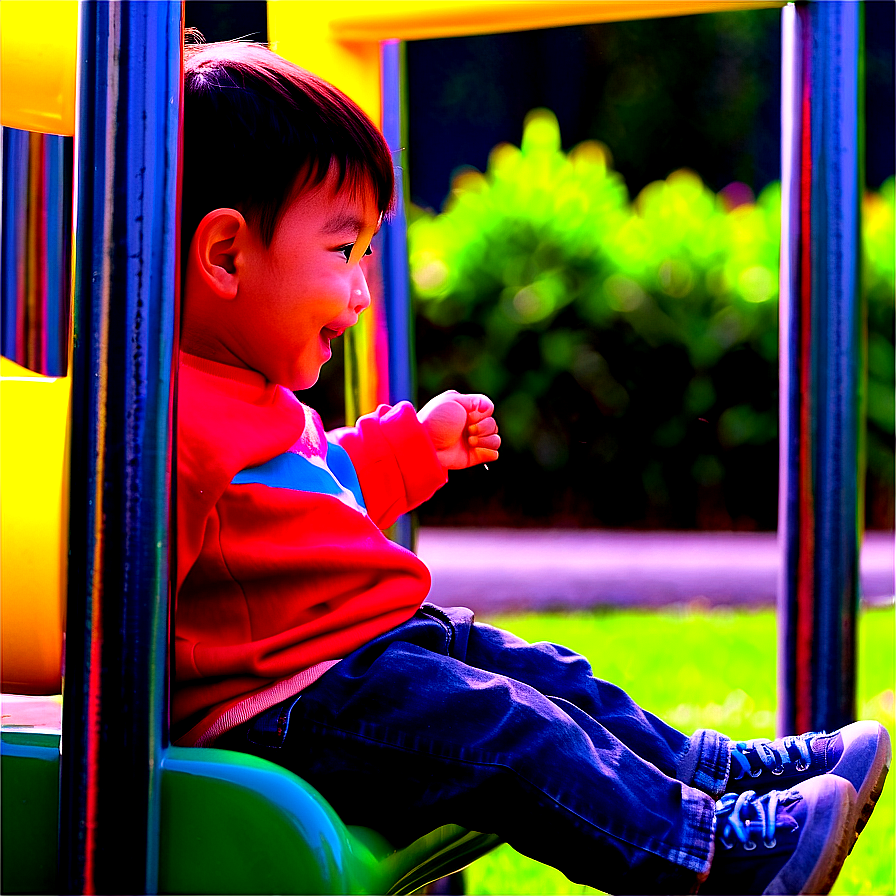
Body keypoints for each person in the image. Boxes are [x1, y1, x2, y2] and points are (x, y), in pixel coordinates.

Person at [174, 39, 890, 895]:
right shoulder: (171, 423)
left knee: (552, 679)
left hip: (364, 663)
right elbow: (115, 594)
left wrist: (411, 447)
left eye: (369, 252)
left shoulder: (244, 396)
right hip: (290, 711)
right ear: (225, 256)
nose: (363, 290)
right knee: (507, 731)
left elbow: (312, 486)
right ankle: (711, 859)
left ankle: (721, 778)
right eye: (342, 251)